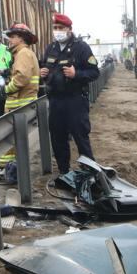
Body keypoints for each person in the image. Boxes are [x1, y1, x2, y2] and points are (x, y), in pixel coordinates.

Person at [40, 13, 100, 174]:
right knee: (58, 139)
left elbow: (94, 72)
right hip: (55, 101)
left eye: (61, 28)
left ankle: (89, 174)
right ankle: (64, 174)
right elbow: (44, 68)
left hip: (75, 101)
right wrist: (43, 74)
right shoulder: (50, 48)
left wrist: (76, 75)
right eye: (55, 28)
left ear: (69, 29)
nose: (57, 31)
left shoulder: (81, 47)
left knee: (81, 138)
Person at [0, 23, 41, 174]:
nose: (9, 40)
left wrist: (6, 89)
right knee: (15, 139)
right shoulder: (24, 54)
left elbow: (22, 77)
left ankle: (7, 169)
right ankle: (11, 169)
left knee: (10, 138)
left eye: (12, 37)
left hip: (19, 105)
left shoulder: (23, 54)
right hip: (21, 104)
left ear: (21, 39)